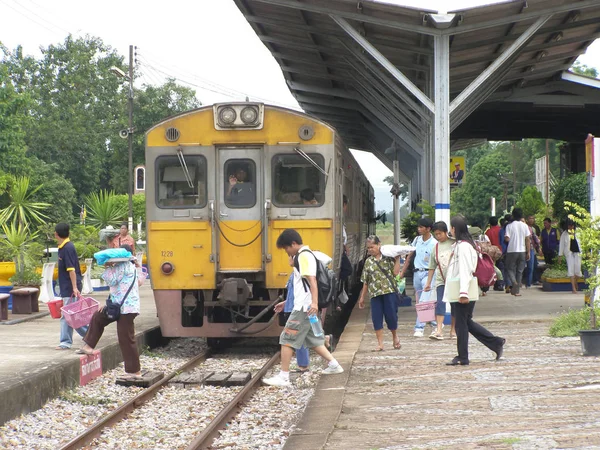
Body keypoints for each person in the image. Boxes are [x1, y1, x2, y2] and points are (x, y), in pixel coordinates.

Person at [263, 229, 343, 387]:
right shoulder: (304, 255)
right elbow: (303, 287)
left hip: (304, 308)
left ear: (293, 244)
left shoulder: (304, 256)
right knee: (313, 340)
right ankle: (334, 365)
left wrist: (314, 303)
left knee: (286, 340)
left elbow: (312, 281)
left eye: (286, 248)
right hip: (306, 306)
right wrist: (287, 302)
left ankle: (283, 377)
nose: (287, 252)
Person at [444, 216, 505, 366]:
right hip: (461, 290)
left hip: (463, 291)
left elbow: (465, 270)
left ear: (455, 229)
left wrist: (463, 293)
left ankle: (463, 356)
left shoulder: (464, 247)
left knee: (461, 324)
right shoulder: (463, 245)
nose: (450, 230)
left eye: (451, 227)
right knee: (465, 322)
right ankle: (495, 343)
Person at [78, 253, 142, 380]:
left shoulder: (123, 266)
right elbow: (117, 287)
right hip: (118, 306)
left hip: (126, 308)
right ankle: (88, 346)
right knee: (98, 317)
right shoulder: (130, 266)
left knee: (126, 338)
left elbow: (111, 280)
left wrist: (107, 267)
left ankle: (135, 371)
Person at [358, 235, 401, 351]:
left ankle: (395, 336)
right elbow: (366, 281)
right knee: (376, 318)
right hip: (375, 294)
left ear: (379, 245)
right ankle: (380, 343)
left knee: (391, 316)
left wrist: (397, 259)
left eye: (372, 247)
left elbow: (396, 273)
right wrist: (362, 297)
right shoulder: (368, 262)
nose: (370, 250)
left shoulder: (388, 258)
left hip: (389, 292)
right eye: (368, 248)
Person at [400, 218, 437, 337]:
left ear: (428, 229)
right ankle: (435, 325)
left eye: (421, 227)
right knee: (422, 300)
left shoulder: (434, 244)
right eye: (418, 227)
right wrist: (402, 272)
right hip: (417, 273)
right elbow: (409, 257)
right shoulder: (417, 240)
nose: (419, 229)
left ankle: (419, 328)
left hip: (428, 273)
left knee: (423, 301)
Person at [273, 255, 310, 372]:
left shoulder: (299, 274)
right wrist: (284, 303)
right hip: (291, 308)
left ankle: (302, 366)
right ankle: (325, 340)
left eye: (290, 257)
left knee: (291, 338)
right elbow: (293, 294)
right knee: (303, 336)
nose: (288, 259)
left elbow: (300, 294)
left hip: (296, 310)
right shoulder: (293, 274)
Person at [55, 223, 87, 350]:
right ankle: (89, 335)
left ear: (56, 234)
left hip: (70, 287)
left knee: (69, 316)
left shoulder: (67, 248)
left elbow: (71, 270)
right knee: (71, 315)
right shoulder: (64, 247)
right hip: (67, 287)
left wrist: (74, 287)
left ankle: (66, 342)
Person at [424, 221, 456, 340]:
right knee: (440, 304)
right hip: (440, 280)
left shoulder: (454, 243)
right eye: (436, 234)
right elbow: (432, 266)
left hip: (453, 280)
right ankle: (439, 329)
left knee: (454, 305)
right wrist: (428, 282)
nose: (438, 236)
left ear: (445, 232)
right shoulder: (435, 247)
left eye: (440, 234)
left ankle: (453, 329)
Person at [504, 208, 531, 297]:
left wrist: (509, 239)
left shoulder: (509, 226)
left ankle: (514, 282)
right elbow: (527, 239)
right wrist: (528, 252)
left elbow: (507, 238)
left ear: (513, 215)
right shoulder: (525, 226)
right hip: (522, 251)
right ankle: (517, 291)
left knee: (510, 268)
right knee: (520, 271)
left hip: (512, 250)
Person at [558, 219, 582, 294]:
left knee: (578, 271)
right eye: (569, 225)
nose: (571, 227)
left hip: (578, 253)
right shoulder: (564, 234)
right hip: (569, 253)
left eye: (572, 225)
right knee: (571, 270)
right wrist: (560, 256)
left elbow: (583, 242)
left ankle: (575, 282)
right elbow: (561, 245)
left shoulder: (579, 232)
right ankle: (573, 288)